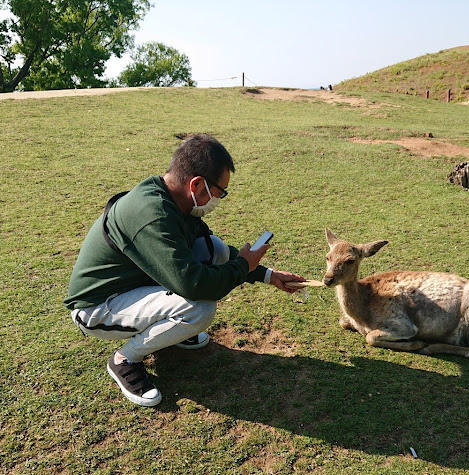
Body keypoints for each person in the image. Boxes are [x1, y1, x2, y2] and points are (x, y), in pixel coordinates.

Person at [64, 134, 305, 407]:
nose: (219, 199)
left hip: (132, 287)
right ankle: (125, 359)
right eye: (219, 192)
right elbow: (194, 285)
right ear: (197, 184)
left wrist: (268, 275)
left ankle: (169, 333)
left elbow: (214, 253)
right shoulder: (152, 214)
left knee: (212, 247)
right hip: (96, 308)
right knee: (199, 309)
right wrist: (241, 266)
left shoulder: (175, 200)